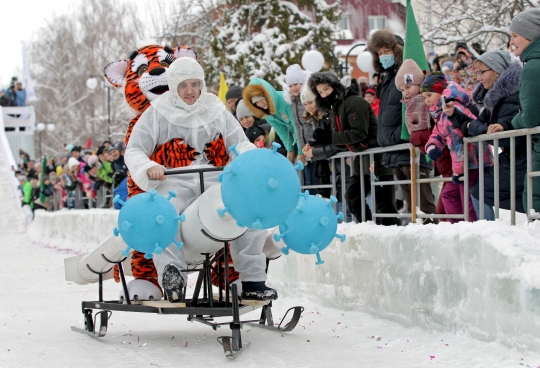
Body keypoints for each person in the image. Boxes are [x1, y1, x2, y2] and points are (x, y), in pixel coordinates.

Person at [125, 57, 278, 302]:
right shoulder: (157, 113)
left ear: (202, 84)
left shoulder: (215, 108)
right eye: (183, 85)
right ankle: (173, 277)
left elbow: (238, 143)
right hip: (175, 181)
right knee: (162, 214)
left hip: (214, 180)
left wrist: (252, 159)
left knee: (249, 210)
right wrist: (148, 167)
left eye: (195, 84)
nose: (190, 91)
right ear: (173, 86)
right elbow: (134, 149)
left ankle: (252, 279)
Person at [308, 71, 397, 225]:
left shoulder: (353, 102)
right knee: (352, 196)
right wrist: (320, 142)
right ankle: (370, 226)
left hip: (377, 157)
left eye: (326, 89)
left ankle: (391, 232)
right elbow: (342, 138)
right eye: (320, 92)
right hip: (361, 157)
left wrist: (329, 138)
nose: (324, 94)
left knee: (384, 203)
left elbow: (359, 133)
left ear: (335, 86)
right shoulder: (335, 108)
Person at [446, 50, 524, 216]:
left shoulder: (510, 96)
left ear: (497, 71)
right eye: (477, 73)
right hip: (513, 159)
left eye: (482, 72)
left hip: (520, 159)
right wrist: (455, 115)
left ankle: (492, 234)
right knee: (481, 192)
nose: (478, 78)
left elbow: (497, 133)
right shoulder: (494, 99)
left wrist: (476, 128)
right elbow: (480, 126)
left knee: (480, 192)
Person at [368, 28, 431, 225]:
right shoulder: (387, 78)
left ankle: (434, 235)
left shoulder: (407, 75)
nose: (383, 55)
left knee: (424, 202)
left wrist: (400, 134)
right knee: (412, 206)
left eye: (387, 50)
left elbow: (416, 104)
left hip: (407, 145)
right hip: (394, 148)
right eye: (379, 52)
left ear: (397, 50)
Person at [422, 72, 494, 223]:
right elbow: (438, 133)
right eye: (424, 97)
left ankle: (473, 228)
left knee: (469, 200)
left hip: (474, 162)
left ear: (440, 92)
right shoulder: (440, 112)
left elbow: (458, 145)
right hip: (466, 164)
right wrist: (432, 146)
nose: (426, 100)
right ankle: (457, 226)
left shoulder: (453, 109)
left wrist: (458, 172)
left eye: (429, 95)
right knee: (449, 194)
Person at [395, 59, 438, 223]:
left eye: (408, 86)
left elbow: (425, 129)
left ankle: (434, 226)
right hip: (423, 150)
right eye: (402, 89)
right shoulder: (410, 103)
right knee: (415, 200)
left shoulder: (422, 102)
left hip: (429, 152)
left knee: (426, 198)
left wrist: (415, 137)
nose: (405, 92)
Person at [509, 8, 540, 212]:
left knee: (534, 201)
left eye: (515, 35)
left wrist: (514, 122)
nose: (512, 42)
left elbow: (530, 116)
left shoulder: (533, 66)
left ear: (530, 35)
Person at [299, 83, 343, 199]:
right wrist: (311, 145)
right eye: (305, 104)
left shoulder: (327, 115)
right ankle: (322, 192)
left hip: (335, 156)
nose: (308, 107)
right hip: (324, 156)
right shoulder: (314, 118)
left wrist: (315, 148)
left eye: (310, 102)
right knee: (318, 170)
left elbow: (330, 137)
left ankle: (325, 192)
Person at [243, 78, 298, 164]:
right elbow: (281, 130)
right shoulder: (266, 112)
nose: (261, 104)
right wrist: (290, 149)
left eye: (262, 99)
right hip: (295, 138)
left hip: (305, 134)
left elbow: (297, 125)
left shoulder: (285, 100)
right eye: (257, 102)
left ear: (268, 96)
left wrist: (301, 151)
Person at [284, 64, 313, 184]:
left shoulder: (307, 98)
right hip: (304, 147)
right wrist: (301, 148)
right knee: (305, 177)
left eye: (296, 84)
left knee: (313, 177)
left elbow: (312, 123)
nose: (293, 88)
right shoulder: (293, 102)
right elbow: (297, 125)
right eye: (290, 86)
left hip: (312, 144)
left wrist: (311, 144)